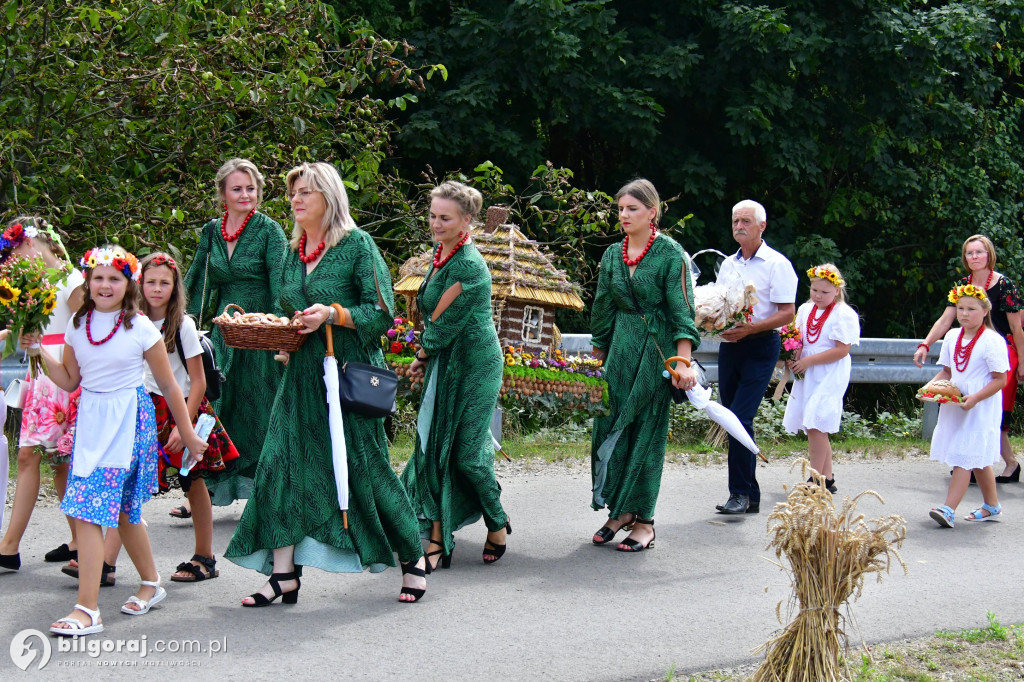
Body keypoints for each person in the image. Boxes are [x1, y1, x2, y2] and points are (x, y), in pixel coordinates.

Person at [224, 161, 427, 604]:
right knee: (278, 466)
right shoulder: (290, 252)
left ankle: (413, 556)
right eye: (293, 193)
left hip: (347, 377)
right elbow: (290, 310)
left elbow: (382, 314)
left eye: (306, 193)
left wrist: (333, 314)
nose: (295, 200)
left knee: (365, 469)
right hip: (298, 378)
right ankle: (284, 575)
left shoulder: (357, 245)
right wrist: (285, 338)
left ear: (329, 199)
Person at [30, 245, 207, 636]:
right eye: (98, 278)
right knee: (125, 511)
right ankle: (151, 582)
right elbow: (71, 380)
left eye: (114, 278)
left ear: (128, 284)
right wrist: (37, 351)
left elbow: (168, 385)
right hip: (92, 419)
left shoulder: (140, 326)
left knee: (90, 508)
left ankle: (87, 608)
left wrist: (189, 432)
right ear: (88, 282)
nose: (105, 285)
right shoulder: (78, 326)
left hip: (129, 421)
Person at [62, 253, 242, 586]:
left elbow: (197, 381)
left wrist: (181, 425)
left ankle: (205, 555)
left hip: (181, 408)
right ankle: (105, 562)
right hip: (141, 409)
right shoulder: (128, 319)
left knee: (193, 480)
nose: (157, 289)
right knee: (129, 487)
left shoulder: (182, 325)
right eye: (150, 282)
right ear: (138, 285)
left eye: (165, 283)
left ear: (175, 288)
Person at [400, 181, 510, 570]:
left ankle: (496, 522)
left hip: (476, 363)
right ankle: (436, 535)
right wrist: (426, 356)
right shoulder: (439, 253)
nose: (435, 223)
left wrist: (422, 354)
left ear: (467, 222)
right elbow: (435, 317)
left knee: (465, 454)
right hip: (446, 360)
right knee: (434, 447)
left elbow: (444, 323)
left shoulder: (467, 264)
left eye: (445, 218)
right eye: (432, 215)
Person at [589, 179, 700, 552]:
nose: (623, 215)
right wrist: (596, 359)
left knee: (646, 437)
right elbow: (602, 311)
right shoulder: (611, 256)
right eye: (620, 208)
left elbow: (683, 313)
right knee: (609, 427)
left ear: (652, 212)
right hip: (619, 350)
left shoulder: (671, 255)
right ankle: (621, 511)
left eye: (632, 208)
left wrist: (682, 364)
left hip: (657, 355)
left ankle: (645, 523)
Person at [183, 158, 287, 505]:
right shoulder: (212, 231)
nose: (245, 194)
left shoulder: (270, 230)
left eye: (251, 188)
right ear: (223, 194)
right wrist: (181, 324)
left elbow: (281, 284)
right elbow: (199, 279)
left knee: (257, 407)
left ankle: (264, 490)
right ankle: (202, 489)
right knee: (214, 404)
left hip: (259, 329)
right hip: (224, 328)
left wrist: (278, 328)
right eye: (237, 189)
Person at [0, 217, 84, 571]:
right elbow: (29, 329)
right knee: (40, 458)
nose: (13, 259)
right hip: (40, 376)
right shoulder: (33, 286)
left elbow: (86, 328)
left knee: (52, 460)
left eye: (15, 250)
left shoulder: (72, 280)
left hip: (66, 374)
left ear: (34, 243)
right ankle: (74, 541)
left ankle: (9, 546)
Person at [913, 234, 1024, 483]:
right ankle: (972, 463)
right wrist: (925, 344)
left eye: (979, 252)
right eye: (969, 253)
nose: (974, 257)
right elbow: (945, 319)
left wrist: (1023, 363)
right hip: (969, 353)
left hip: (1001, 352)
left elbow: (1017, 329)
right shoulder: (962, 286)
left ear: (989, 255)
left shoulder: (1005, 285)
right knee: (963, 406)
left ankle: (998, 464)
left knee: (994, 412)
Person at [715, 200, 797, 515]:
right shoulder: (727, 264)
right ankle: (751, 494)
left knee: (739, 417)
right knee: (730, 417)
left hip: (761, 344)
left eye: (746, 221)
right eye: (736, 220)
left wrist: (750, 329)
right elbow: (722, 304)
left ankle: (738, 493)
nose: (739, 226)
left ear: (762, 226)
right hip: (732, 344)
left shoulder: (777, 264)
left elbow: (787, 314)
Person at [926, 284, 1007, 528]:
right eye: (960, 308)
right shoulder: (952, 336)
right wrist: (929, 387)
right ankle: (992, 505)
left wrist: (975, 398)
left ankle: (948, 509)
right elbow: (948, 371)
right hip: (957, 404)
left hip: (979, 407)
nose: (964, 313)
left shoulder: (992, 341)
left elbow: (1000, 379)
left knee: (964, 453)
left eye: (971, 308)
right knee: (977, 457)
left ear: (985, 311)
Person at [782, 264, 861, 493]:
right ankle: (827, 478)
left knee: (816, 422)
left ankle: (815, 480)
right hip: (808, 373)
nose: (818, 296)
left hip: (829, 373)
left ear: (837, 290)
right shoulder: (807, 310)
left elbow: (841, 350)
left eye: (824, 292)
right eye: (814, 290)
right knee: (814, 425)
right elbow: (798, 338)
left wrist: (808, 361)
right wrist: (793, 356)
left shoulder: (843, 314)